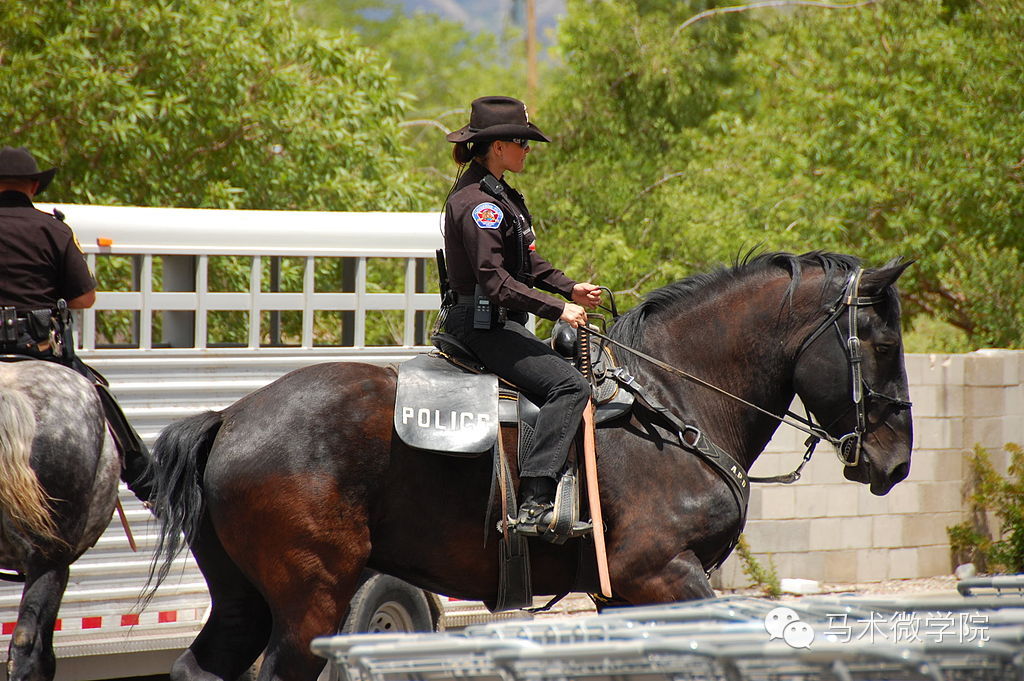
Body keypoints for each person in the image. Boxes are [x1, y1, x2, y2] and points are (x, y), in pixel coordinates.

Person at [441, 96, 602, 540]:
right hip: (479, 324)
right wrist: (558, 309)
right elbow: (495, 283)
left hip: (498, 320)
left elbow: (527, 263)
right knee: (571, 386)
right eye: (522, 144)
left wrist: (569, 287)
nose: (527, 151)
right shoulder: (479, 205)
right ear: (497, 147)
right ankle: (535, 501)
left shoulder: (501, 195)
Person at [0, 146, 153, 502]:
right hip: (39, 351)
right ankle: (147, 483)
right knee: (100, 400)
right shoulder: (54, 230)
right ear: (35, 186)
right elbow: (85, 299)